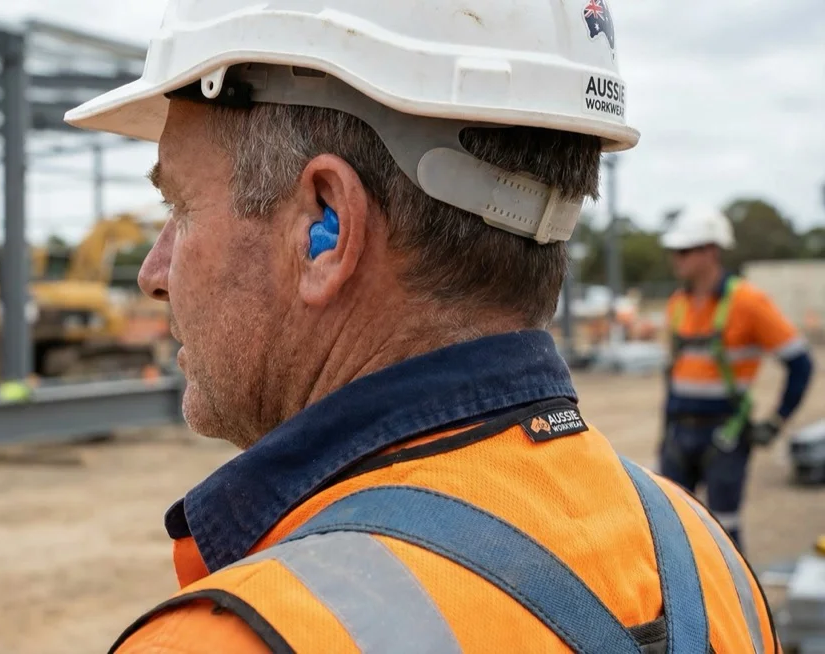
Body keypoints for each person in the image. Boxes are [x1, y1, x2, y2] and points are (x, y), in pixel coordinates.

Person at [65, 0, 781, 651]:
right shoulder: (706, 560)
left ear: (326, 224)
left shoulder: (230, 639)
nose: (153, 273)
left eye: (182, 208)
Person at [660, 205, 814, 551]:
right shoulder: (678, 304)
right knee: (670, 529)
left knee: (723, 533)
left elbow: (800, 363)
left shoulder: (749, 302)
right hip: (679, 433)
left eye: (684, 250)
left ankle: (732, 604)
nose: (676, 258)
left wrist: (777, 421)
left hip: (724, 434)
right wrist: (663, 436)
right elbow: (672, 376)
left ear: (711, 251)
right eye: (674, 250)